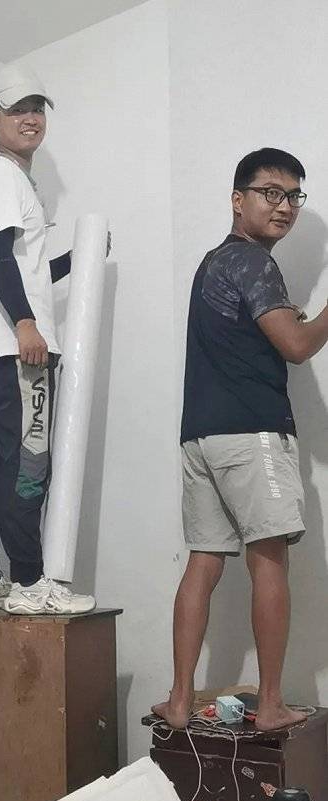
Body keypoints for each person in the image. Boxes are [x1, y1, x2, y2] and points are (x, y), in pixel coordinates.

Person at [153, 148, 328, 733]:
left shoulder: (215, 264)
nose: (284, 206)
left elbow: (247, 337)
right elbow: (296, 346)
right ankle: (271, 704)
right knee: (270, 558)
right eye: (270, 193)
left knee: (204, 561)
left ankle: (179, 700)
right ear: (237, 199)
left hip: (199, 437)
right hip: (251, 433)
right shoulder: (254, 263)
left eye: (293, 196)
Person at [0, 61, 96, 616]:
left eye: (37, 108)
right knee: (29, 462)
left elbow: (23, 265)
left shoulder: (1, 180)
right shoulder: (2, 176)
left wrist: (79, 258)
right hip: (18, 348)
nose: (30, 118)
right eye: (17, 109)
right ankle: (28, 582)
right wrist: (25, 323)